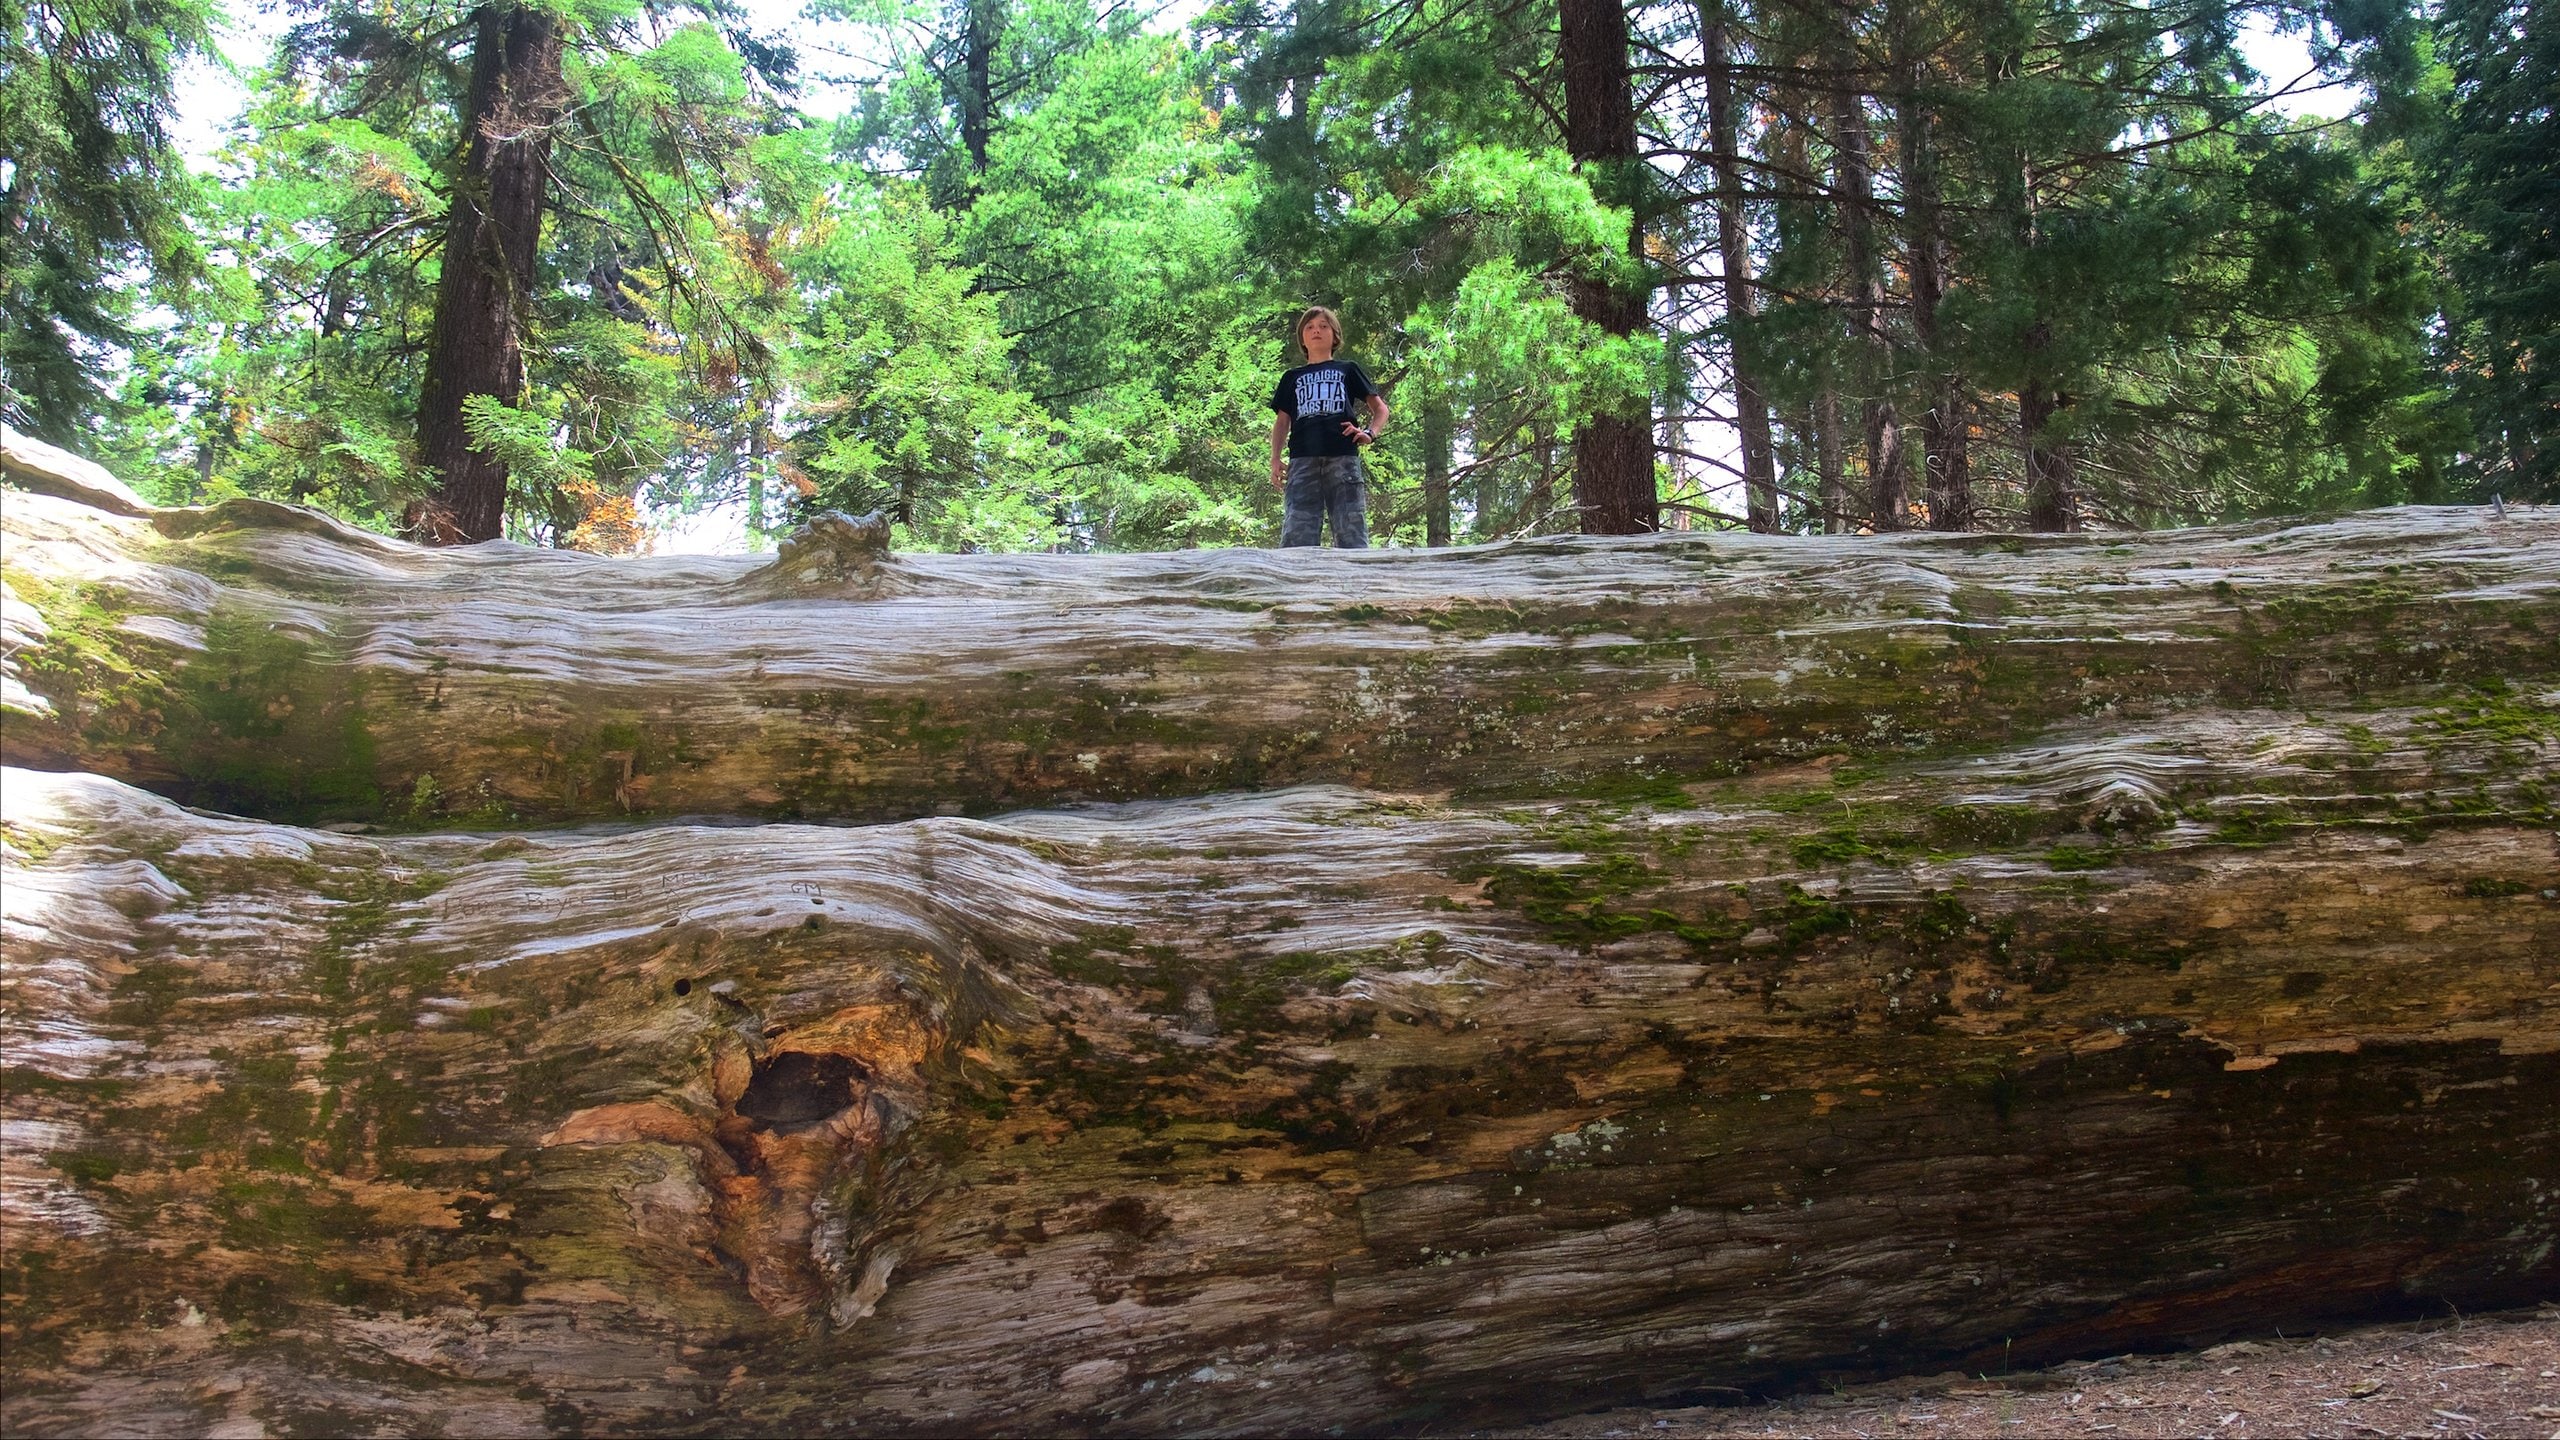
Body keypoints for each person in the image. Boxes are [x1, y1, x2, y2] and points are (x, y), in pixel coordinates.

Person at [1269, 305, 1389, 548]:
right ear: (1302, 337)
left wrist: (1369, 433)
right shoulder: (1291, 377)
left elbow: (1381, 409)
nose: (1317, 331)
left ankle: (1357, 583)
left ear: (1335, 335)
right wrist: (1274, 458)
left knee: (1351, 530)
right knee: (1297, 532)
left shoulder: (1348, 369)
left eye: (1324, 326)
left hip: (1343, 458)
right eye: (1310, 327)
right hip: (1302, 460)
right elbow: (1282, 422)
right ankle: (1297, 583)